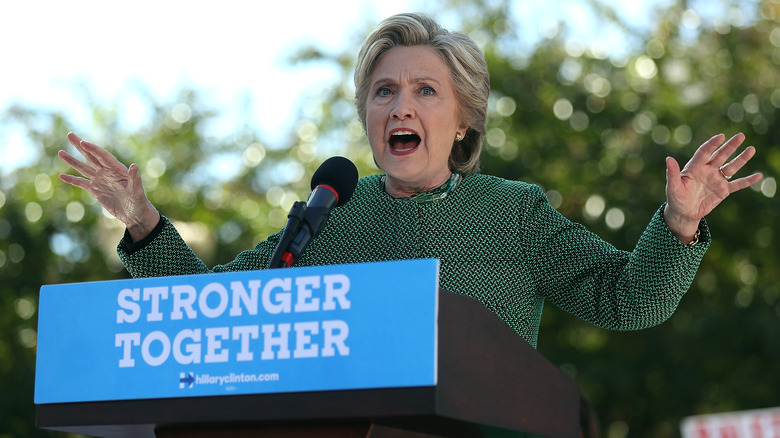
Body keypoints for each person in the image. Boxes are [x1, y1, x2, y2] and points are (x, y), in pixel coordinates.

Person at [58, 13, 762, 348]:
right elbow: (214, 312)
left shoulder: (513, 212)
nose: (400, 106)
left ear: (463, 123)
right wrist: (143, 225)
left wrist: (678, 225)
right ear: (367, 115)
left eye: (426, 91)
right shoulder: (328, 211)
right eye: (384, 91)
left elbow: (629, 300)